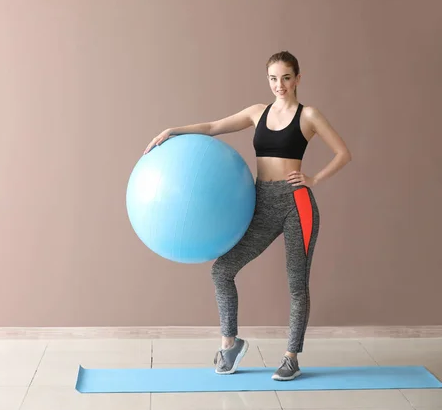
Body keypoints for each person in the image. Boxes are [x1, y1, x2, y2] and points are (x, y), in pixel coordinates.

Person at [143, 51, 352, 381]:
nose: (279, 85)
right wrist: (173, 130)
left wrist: (313, 180)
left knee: (297, 285)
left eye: (285, 77)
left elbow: (343, 153)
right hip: (262, 202)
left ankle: (291, 357)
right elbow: (213, 127)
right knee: (222, 270)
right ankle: (231, 343)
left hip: (297, 205)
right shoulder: (258, 113)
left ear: (298, 78)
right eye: (273, 78)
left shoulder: (309, 115)